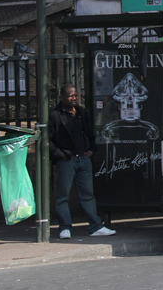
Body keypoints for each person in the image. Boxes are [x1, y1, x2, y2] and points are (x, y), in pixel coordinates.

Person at [48, 84, 115, 239]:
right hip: (67, 159)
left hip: (83, 158)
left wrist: (91, 149)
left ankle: (95, 226)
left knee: (88, 194)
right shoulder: (55, 115)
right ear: (62, 97)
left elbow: (89, 133)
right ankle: (65, 227)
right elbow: (49, 140)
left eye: (75, 96)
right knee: (62, 195)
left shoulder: (81, 113)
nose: (74, 99)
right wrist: (59, 154)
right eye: (70, 96)